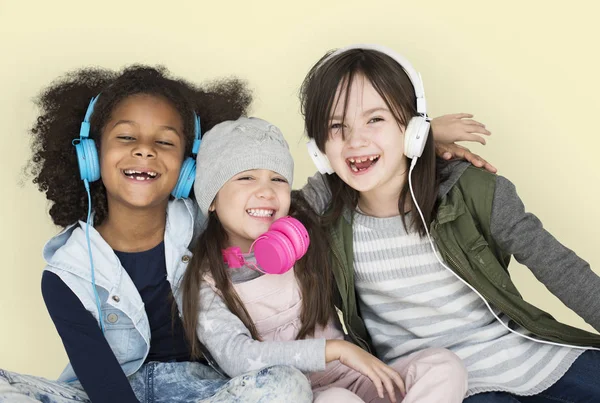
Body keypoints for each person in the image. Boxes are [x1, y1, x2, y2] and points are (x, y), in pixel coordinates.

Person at [299, 44, 600, 401]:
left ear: (410, 127)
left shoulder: (470, 190)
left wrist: (421, 139)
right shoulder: (325, 221)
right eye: (336, 126)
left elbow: (560, 267)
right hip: (434, 383)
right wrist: (421, 138)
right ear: (319, 150)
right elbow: (270, 210)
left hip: (525, 352)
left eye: (375, 119)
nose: (355, 140)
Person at [0, 66, 312, 403]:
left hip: (205, 390)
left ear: (188, 166)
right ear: (90, 154)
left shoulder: (208, 226)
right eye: (126, 137)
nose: (145, 150)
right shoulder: (66, 273)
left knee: (287, 384)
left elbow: (273, 213)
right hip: (108, 391)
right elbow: (102, 381)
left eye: (164, 142)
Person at [181, 116, 469, 402]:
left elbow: (344, 174)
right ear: (212, 199)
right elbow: (238, 357)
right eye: (246, 177)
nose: (266, 191)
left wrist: (417, 141)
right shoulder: (204, 280)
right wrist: (334, 349)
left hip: (354, 376)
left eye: (278, 179)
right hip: (305, 395)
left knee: (443, 365)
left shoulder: (302, 223)